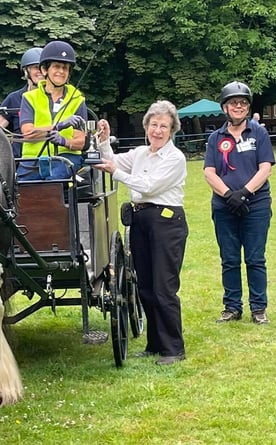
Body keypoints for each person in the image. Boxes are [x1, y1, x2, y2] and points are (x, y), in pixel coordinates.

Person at [94, 100, 188, 365]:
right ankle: (155, 344)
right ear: (146, 126)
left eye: (164, 126)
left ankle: (174, 348)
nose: (158, 131)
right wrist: (103, 140)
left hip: (166, 222)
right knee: (145, 285)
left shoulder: (175, 158)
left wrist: (117, 174)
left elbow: (148, 186)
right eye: (154, 125)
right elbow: (112, 160)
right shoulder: (140, 153)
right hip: (141, 219)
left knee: (163, 286)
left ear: (172, 130)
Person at [204, 81, 275, 325]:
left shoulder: (259, 133)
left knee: (255, 258)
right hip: (225, 207)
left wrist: (244, 192)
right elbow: (209, 172)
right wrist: (228, 195)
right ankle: (232, 306)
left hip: (256, 204)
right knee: (230, 259)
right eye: (234, 102)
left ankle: (259, 308)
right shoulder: (215, 138)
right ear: (225, 107)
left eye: (243, 103)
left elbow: (265, 168)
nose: (238, 106)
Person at [17, 40, 88, 180]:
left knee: (53, 181)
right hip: (32, 159)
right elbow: (28, 132)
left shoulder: (77, 99)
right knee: (19, 189)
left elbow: (81, 142)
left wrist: (63, 141)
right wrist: (58, 126)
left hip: (66, 158)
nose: (61, 71)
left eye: (65, 68)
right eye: (56, 66)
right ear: (44, 70)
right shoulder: (29, 98)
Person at [0, 47, 44, 157]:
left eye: (43, 67)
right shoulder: (14, 98)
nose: (40, 71)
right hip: (20, 161)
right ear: (26, 71)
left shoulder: (56, 98)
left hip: (48, 155)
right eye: (36, 67)